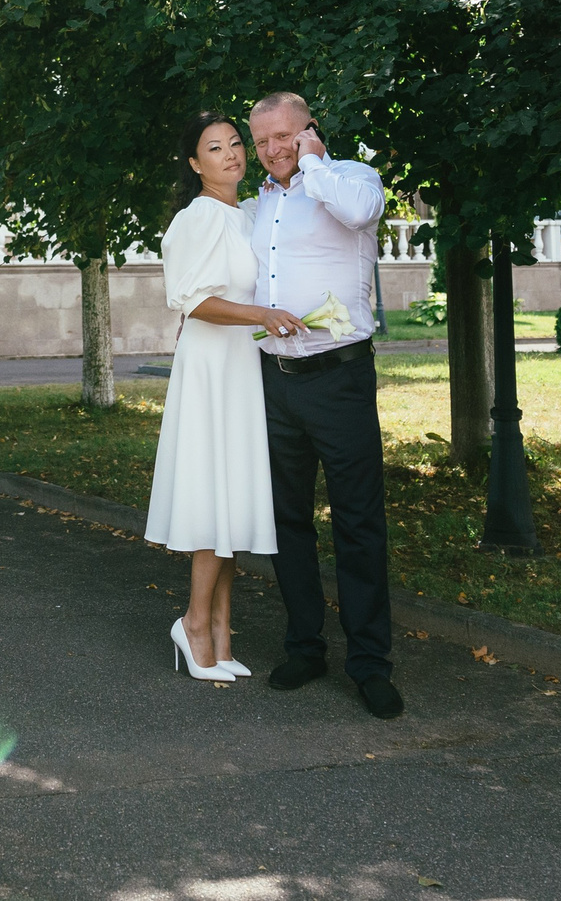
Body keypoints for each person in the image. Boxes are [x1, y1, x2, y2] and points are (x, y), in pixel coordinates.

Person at [245, 91, 405, 719]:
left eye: (285, 135)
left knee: (358, 523)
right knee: (287, 522)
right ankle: (305, 647)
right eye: (263, 141)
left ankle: (369, 664)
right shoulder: (260, 202)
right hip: (276, 379)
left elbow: (363, 211)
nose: (274, 150)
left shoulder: (350, 179)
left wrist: (313, 163)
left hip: (340, 379)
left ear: (310, 129)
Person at [146, 112, 293, 684]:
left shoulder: (249, 213)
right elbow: (193, 301)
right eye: (215, 148)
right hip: (211, 366)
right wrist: (263, 315)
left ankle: (222, 633)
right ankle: (193, 624)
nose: (231, 154)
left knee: (233, 501)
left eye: (236, 143)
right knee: (213, 500)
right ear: (194, 163)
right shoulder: (198, 217)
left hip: (243, 367)